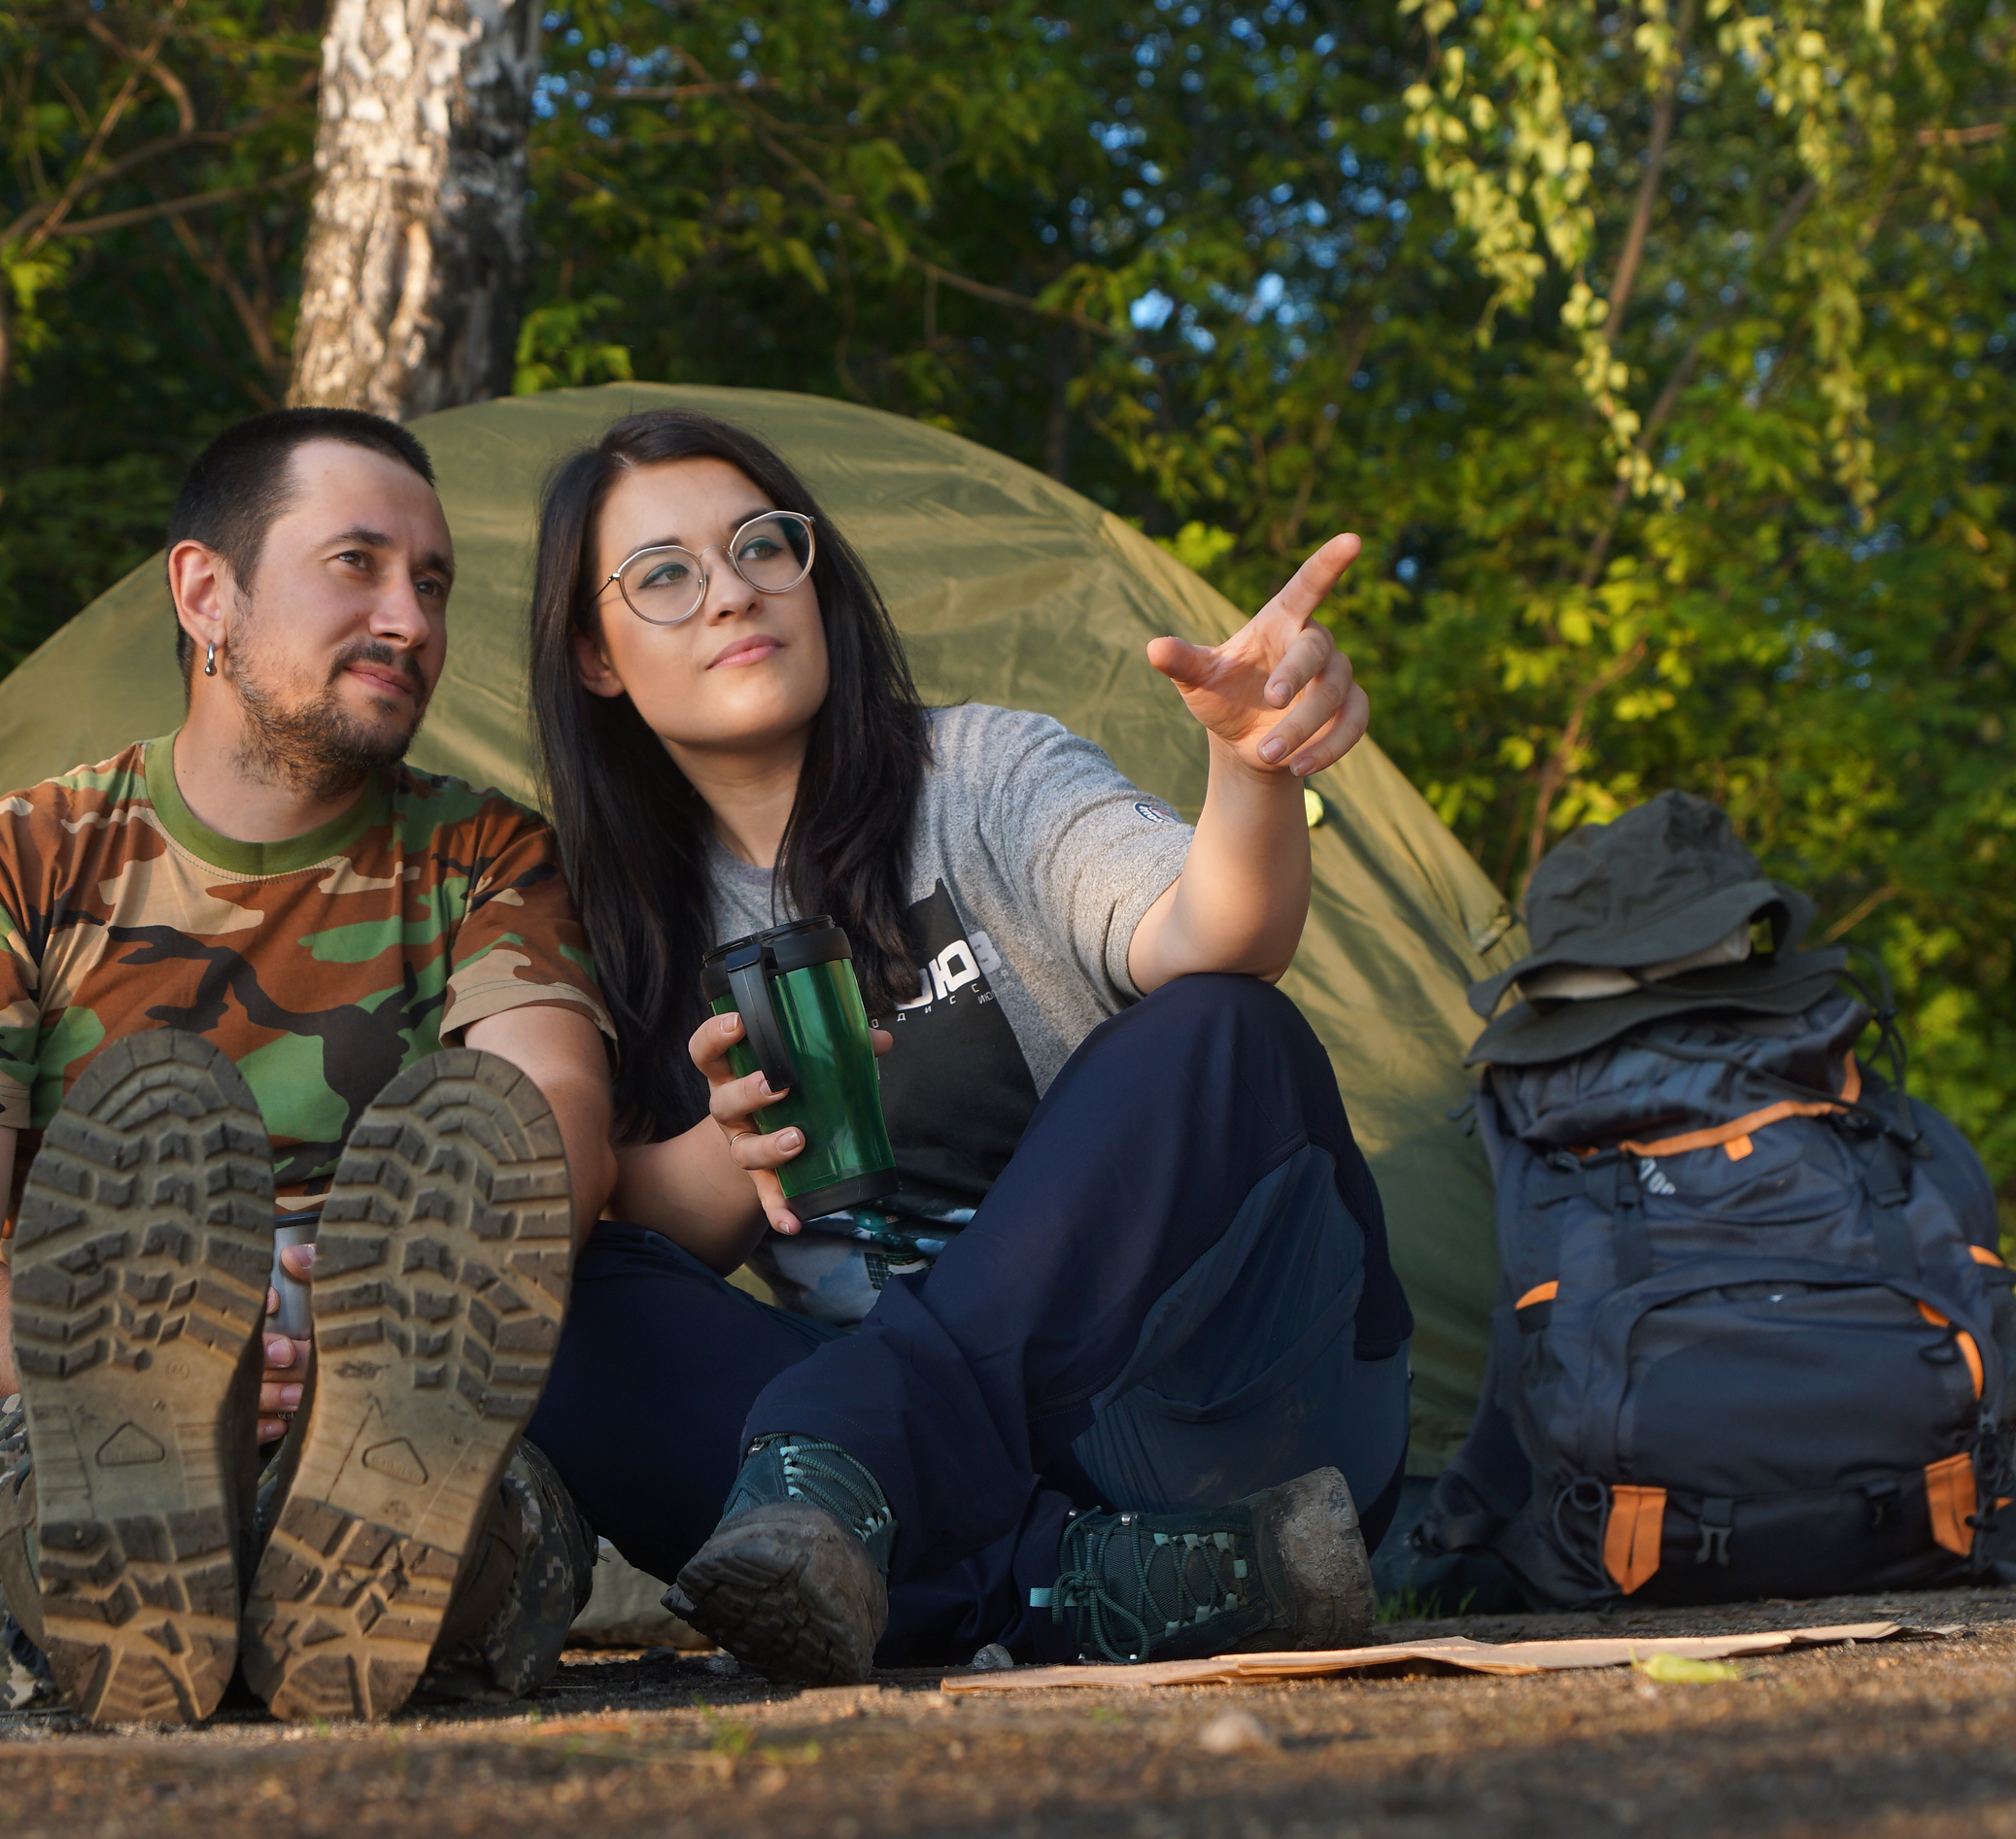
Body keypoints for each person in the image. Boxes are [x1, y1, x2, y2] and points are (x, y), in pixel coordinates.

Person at [520, 409, 1414, 1678]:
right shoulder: (616, 921)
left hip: (1224, 1414)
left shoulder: (982, 772)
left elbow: (1208, 930)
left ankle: (869, 1465)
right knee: (548, 1303)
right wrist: (734, 1148)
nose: (730, 592)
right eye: (663, 575)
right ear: (594, 655)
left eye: (762, 546)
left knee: (1224, 1024)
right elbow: (648, 1243)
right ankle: (1080, 1589)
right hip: (1020, 1511)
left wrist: (1252, 767)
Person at [0, 408, 618, 1724]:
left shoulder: (490, 859)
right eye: (356, 564)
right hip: (70, 1398)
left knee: (494, 1513)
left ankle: (319, 1577)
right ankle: (131, 1575)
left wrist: (362, 1336)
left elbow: (549, 1118)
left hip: (386, 1413)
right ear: (205, 595)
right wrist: (131, 1371)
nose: (410, 619)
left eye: (432, 584)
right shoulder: (7, 862)